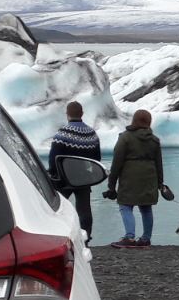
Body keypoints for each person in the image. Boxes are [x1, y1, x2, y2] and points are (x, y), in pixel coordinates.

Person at [104, 110, 164, 248]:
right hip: (149, 177)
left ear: (134, 120)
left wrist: (111, 184)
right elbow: (159, 163)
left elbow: (117, 162)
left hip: (129, 177)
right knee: (146, 207)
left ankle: (130, 237)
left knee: (125, 206)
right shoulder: (154, 140)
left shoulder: (125, 138)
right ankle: (146, 239)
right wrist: (160, 183)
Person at [47, 101, 101, 242]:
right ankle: (85, 238)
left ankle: (58, 237)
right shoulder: (91, 134)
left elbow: (54, 157)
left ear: (67, 114)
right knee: (84, 209)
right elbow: (97, 159)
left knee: (57, 208)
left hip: (63, 177)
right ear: (82, 113)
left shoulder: (63, 134)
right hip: (84, 178)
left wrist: (53, 173)